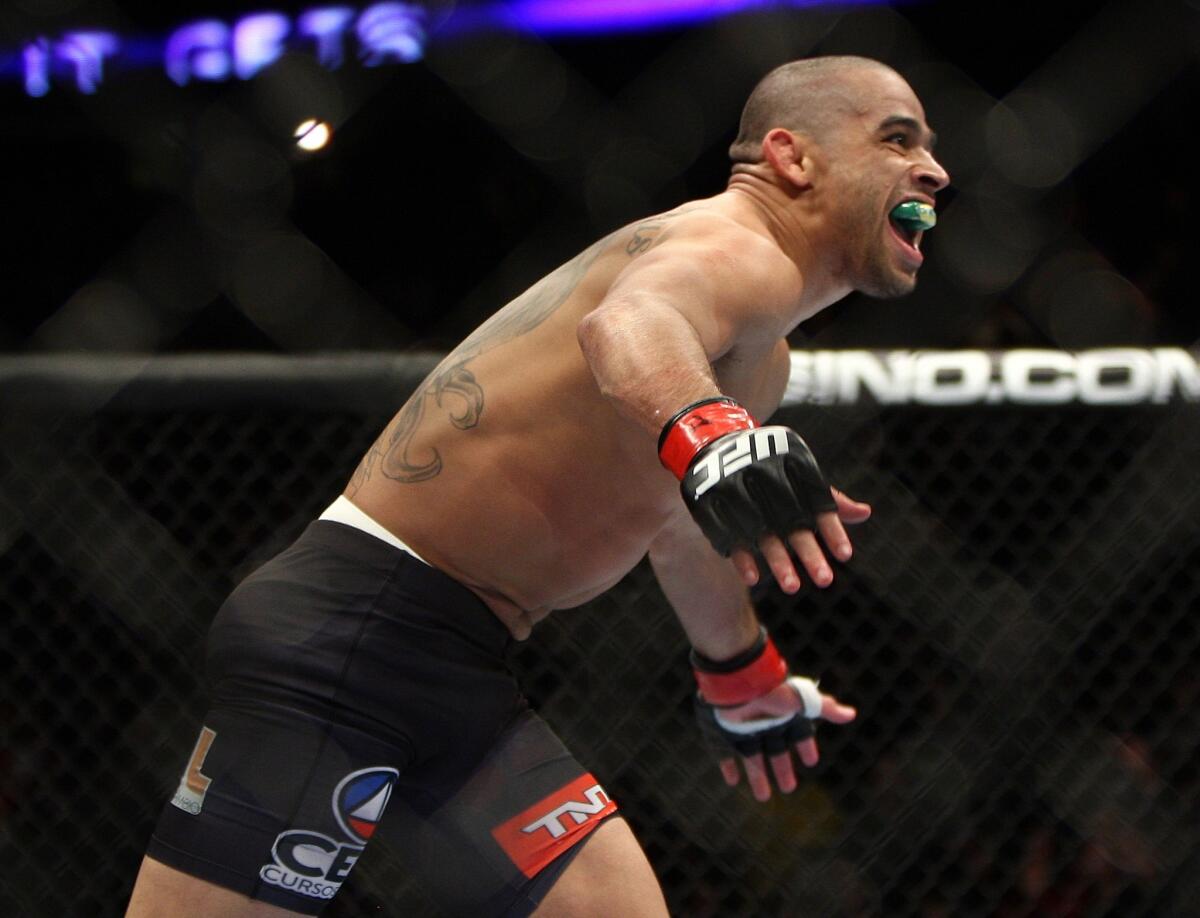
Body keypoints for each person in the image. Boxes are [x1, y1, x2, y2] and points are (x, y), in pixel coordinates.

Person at [126, 54, 949, 917]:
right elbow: (627, 325)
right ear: (792, 156)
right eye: (896, 139)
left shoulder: (761, 351)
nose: (934, 169)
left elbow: (674, 523)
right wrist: (712, 435)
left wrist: (739, 667)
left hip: (457, 665)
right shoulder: (731, 247)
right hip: (350, 640)